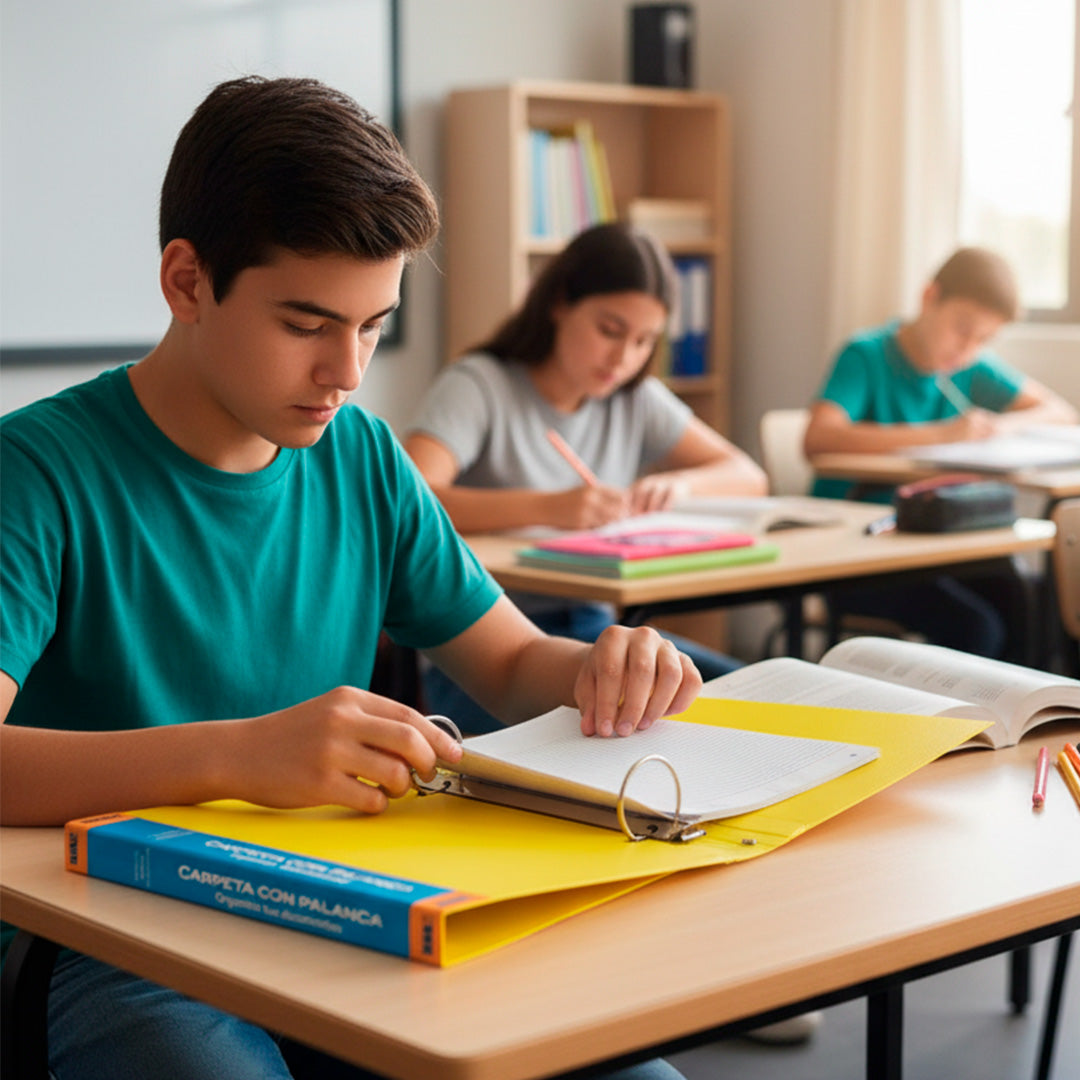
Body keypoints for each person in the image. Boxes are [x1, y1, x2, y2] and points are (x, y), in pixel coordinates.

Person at [0, 76, 697, 1080]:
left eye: (373, 325)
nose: (349, 370)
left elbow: (508, 663)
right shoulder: (37, 472)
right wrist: (237, 758)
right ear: (187, 281)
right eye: (307, 324)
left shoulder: (363, 459)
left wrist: (608, 668)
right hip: (121, 940)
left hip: (353, 905)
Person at [403, 222, 768, 732]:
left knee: (757, 706)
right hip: (480, 651)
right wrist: (548, 508)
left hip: (601, 635)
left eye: (644, 341)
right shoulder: (480, 384)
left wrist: (680, 485)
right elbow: (408, 499)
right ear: (558, 303)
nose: (623, 358)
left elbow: (746, 474)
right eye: (610, 331)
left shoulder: (632, 395)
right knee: (639, 733)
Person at [804, 246, 1077, 659]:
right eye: (962, 329)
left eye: (983, 339)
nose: (967, 348)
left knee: (1029, 602)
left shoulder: (969, 367)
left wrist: (998, 427)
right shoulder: (866, 355)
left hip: (937, 548)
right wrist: (943, 433)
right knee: (975, 627)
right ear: (929, 297)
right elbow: (819, 437)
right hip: (860, 557)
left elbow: (1060, 412)